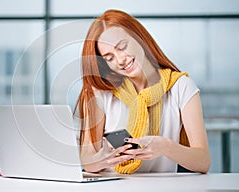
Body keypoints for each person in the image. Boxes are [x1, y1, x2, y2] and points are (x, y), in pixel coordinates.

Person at [74, 9, 211, 174]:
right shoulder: (102, 92)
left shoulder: (181, 86)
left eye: (122, 47)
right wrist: (100, 160)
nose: (120, 60)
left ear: (139, 37)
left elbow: (203, 161)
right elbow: (87, 159)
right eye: (109, 58)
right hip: (111, 186)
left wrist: (165, 147)